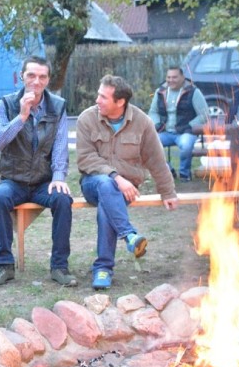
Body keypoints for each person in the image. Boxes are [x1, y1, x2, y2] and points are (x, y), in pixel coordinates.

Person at [76, 75, 179, 291]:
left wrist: (168, 192)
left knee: (108, 205)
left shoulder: (142, 122)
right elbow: (85, 159)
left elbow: (156, 160)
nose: (97, 100)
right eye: (98, 95)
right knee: (106, 184)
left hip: (127, 188)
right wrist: (117, 177)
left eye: (103, 97)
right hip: (92, 182)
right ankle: (129, 235)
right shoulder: (87, 119)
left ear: (120, 101)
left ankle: (103, 269)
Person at [0, 56, 76, 288]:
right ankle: (5, 265)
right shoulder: (5, 105)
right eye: (31, 75)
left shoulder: (58, 106)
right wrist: (22, 117)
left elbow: (60, 145)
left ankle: (59, 266)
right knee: (0, 197)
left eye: (42, 76)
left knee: (63, 199)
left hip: (43, 181)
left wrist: (58, 177)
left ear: (48, 80)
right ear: (21, 77)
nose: (36, 81)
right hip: (13, 180)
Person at [148, 66, 209, 182]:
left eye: (175, 77)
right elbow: (153, 111)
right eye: (168, 77)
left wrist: (190, 125)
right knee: (149, 145)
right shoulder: (160, 91)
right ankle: (168, 170)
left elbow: (205, 114)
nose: (171, 80)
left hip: (186, 131)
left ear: (182, 77)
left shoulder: (193, 91)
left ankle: (184, 174)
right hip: (165, 131)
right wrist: (156, 123)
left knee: (186, 145)